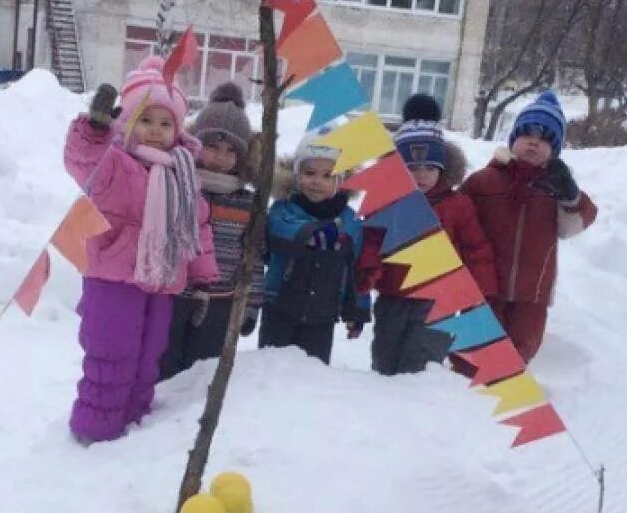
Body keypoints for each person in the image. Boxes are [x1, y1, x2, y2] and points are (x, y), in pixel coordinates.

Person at [62, 57, 218, 443]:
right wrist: (95, 129)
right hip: (113, 278)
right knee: (111, 355)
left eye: (166, 123)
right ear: (128, 121)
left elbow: (196, 226)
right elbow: (82, 161)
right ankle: (95, 433)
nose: (155, 131)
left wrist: (201, 273)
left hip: (161, 281)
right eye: (145, 120)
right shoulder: (114, 161)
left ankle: (133, 429)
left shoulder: (182, 171)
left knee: (148, 358)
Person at [356, 94, 497, 375]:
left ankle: (418, 411)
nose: (421, 175)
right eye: (412, 168)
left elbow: (476, 249)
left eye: (429, 168)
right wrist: (368, 271)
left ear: (443, 169)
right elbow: (371, 241)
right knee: (385, 360)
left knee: (421, 366)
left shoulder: (457, 205)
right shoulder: (387, 202)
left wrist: (482, 292)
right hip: (393, 297)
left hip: (440, 302)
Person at [461, 90, 597, 363]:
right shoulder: (484, 181)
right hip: (486, 286)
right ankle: (460, 395)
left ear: (555, 150)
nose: (534, 143)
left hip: (532, 294)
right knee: (474, 351)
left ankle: (509, 391)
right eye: (527, 134)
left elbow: (574, 225)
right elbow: (459, 216)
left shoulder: (556, 189)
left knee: (518, 352)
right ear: (513, 140)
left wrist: (571, 198)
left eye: (545, 138)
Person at [159, 82, 263, 381]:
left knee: (200, 375)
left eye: (231, 151)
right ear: (195, 143)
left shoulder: (247, 201)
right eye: (212, 147)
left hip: (221, 301)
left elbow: (254, 256)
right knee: (165, 368)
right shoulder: (178, 183)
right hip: (175, 295)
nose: (220, 156)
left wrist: (251, 304)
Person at [258, 134, 370, 364]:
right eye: (309, 173)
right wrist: (313, 234)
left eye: (327, 175)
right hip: (279, 308)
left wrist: (356, 309)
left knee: (312, 374)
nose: (317, 181)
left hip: (322, 315)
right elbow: (281, 233)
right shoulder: (283, 210)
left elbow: (356, 269)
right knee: (270, 371)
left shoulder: (349, 221)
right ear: (297, 176)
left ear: (341, 181)